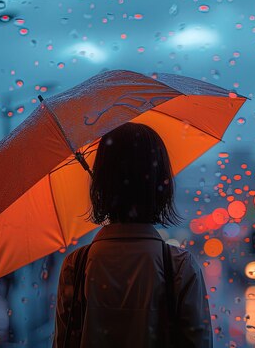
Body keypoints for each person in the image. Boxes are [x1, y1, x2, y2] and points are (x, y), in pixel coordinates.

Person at [53, 123, 212, 348]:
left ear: (100, 184)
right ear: (161, 185)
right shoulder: (179, 267)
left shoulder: (76, 266)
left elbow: (63, 342)